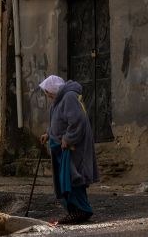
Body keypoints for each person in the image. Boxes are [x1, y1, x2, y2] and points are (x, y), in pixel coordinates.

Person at [39, 75, 99, 224]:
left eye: (47, 91)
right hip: (61, 147)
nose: (47, 95)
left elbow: (78, 121)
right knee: (65, 179)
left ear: (53, 89)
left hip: (72, 147)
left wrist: (68, 138)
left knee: (73, 178)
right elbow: (57, 121)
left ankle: (81, 210)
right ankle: (74, 210)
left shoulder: (69, 97)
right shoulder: (58, 101)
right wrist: (48, 134)